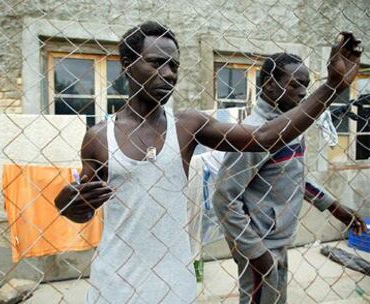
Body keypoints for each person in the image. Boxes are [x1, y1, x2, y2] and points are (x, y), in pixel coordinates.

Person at [54, 20, 362, 303]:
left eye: (174, 65)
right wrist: (67, 204)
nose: (169, 74)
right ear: (127, 64)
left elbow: (266, 137)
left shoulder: (188, 126)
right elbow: (83, 210)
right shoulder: (98, 137)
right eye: (156, 63)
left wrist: (332, 86)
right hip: (116, 282)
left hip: (175, 280)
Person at [212, 52, 367, 304]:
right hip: (259, 241)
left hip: (277, 239)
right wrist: (255, 251)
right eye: (295, 84)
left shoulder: (290, 127)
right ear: (270, 84)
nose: (303, 93)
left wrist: (335, 207)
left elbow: (295, 177)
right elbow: (224, 197)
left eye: (306, 85)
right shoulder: (254, 132)